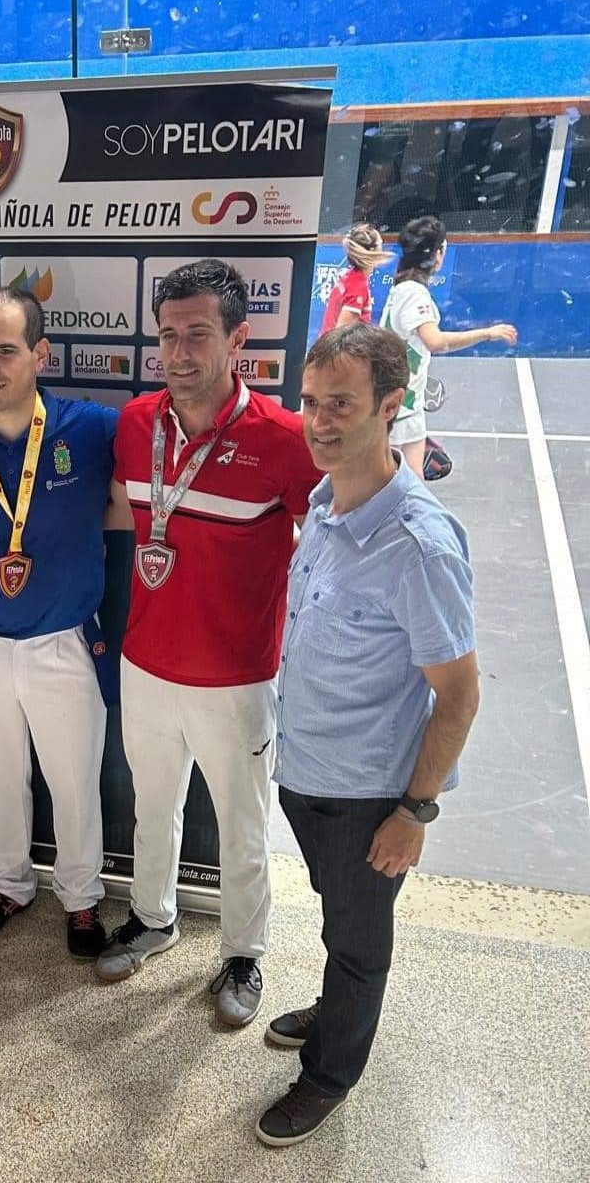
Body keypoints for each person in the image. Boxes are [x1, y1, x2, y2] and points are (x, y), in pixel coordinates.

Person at [256, 323, 479, 1146]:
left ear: (392, 407)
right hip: (307, 771)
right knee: (338, 917)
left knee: (360, 943)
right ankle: (332, 1009)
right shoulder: (323, 502)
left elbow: (458, 696)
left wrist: (412, 814)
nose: (318, 421)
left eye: (340, 404)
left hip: (369, 797)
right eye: (311, 402)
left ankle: (329, 1075)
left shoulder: (418, 544)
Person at [97, 260, 321, 1029]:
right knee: (151, 808)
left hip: (237, 677)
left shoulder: (287, 439)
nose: (180, 351)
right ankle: (154, 920)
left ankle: (243, 952)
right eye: (168, 335)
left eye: (198, 334)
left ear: (238, 340)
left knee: (242, 824)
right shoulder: (135, 425)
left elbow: (327, 543)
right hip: (147, 664)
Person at [0, 287, 120, 960]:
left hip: (63, 640)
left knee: (73, 782)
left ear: (40, 354)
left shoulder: (90, 428)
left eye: (5, 351)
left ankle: (81, 898)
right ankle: (7, 885)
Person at [379, 215, 517, 478]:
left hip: (406, 407)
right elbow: (435, 341)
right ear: (436, 254)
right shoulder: (412, 292)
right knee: (396, 489)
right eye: (443, 247)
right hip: (399, 409)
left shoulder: (403, 288)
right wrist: (487, 333)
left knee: (411, 487)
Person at [318, 224, 393, 334]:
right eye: (381, 244)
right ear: (373, 250)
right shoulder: (357, 286)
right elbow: (341, 336)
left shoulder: (352, 278)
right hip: (334, 350)